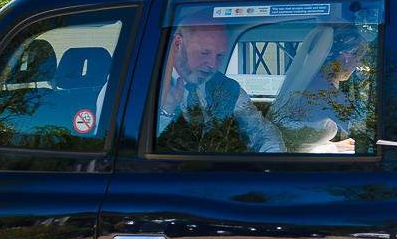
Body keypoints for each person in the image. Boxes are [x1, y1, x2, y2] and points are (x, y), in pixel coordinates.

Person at [157, 17, 284, 153]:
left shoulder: (228, 88)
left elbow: (261, 132)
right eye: (205, 53)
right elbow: (142, 145)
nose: (213, 64)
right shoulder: (150, 84)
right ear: (177, 44)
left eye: (220, 55)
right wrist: (166, 110)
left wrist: (273, 164)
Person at [268, 25, 372, 153]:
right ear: (345, 58)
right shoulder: (328, 96)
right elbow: (369, 136)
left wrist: (334, 146)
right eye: (357, 60)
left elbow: (293, 136)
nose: (356, 66)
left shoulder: (303, 86)